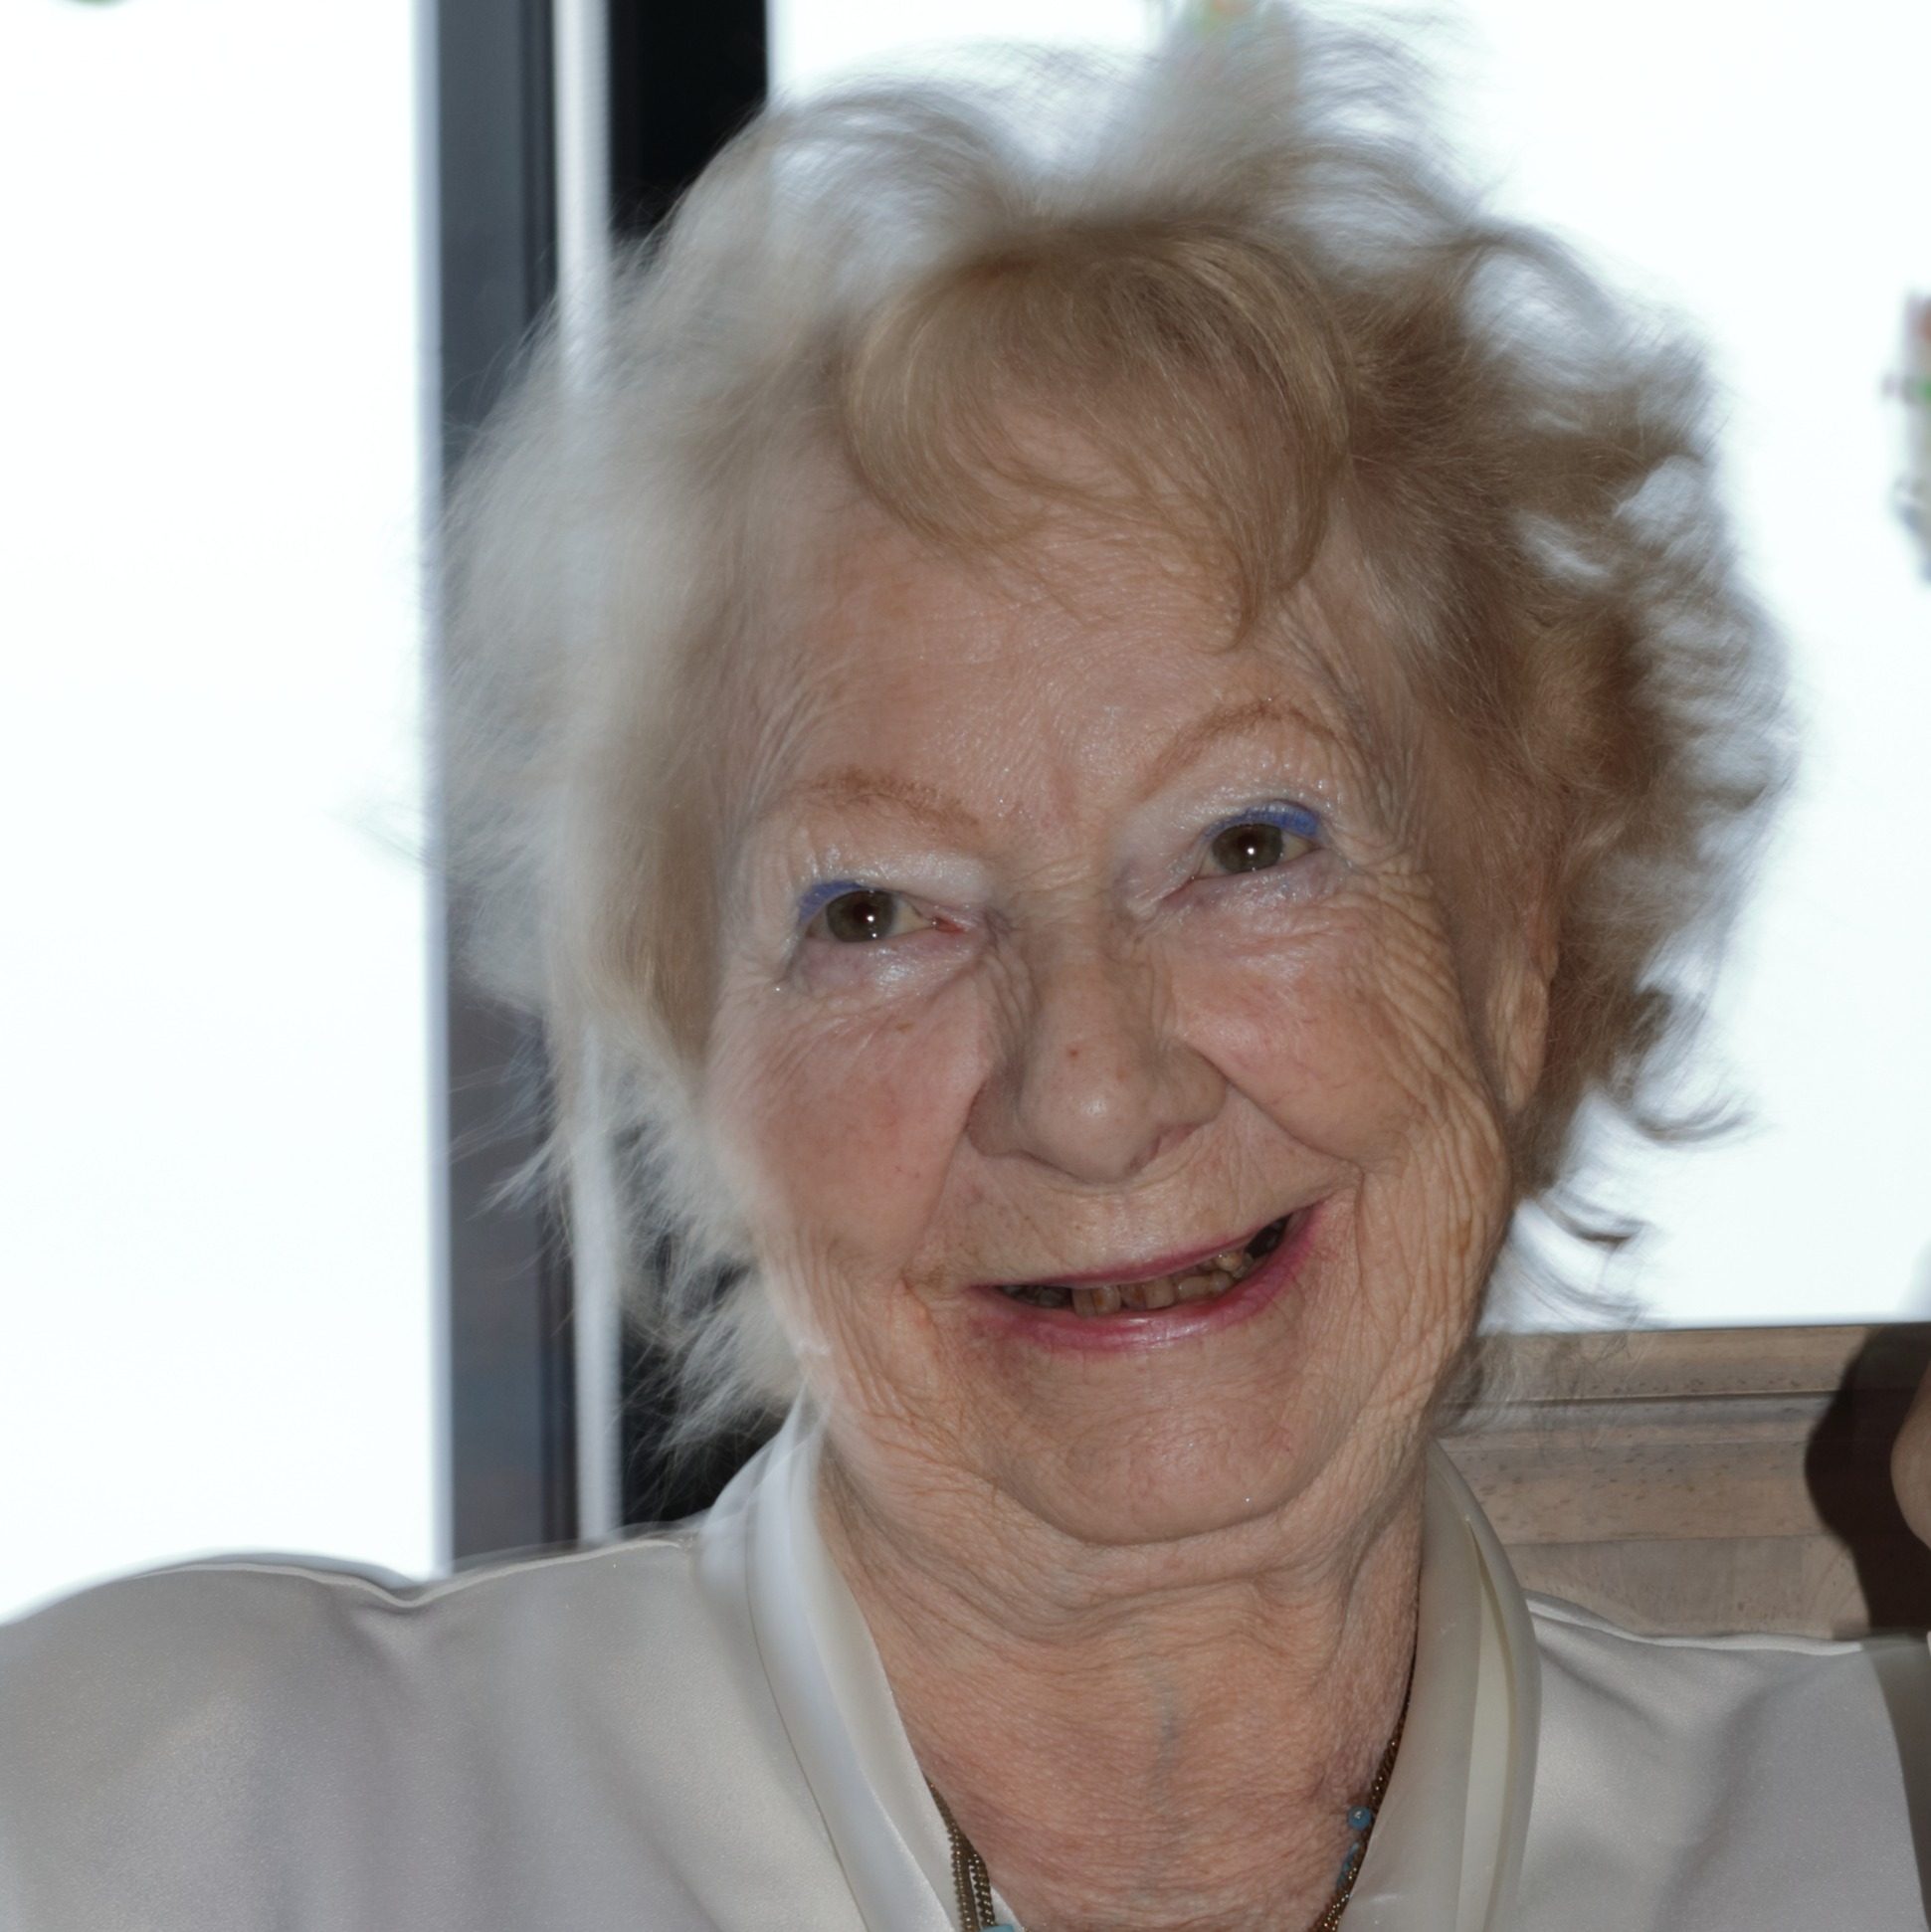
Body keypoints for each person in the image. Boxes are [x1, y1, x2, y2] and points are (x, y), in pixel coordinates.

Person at [2, 8, 1925, 1929]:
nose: (1087, 1090)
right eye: (874, 914)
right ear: (692, 1050)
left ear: (1519, 942)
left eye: (1249, 845)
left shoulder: (1882, 1834)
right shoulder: (192, 1820)